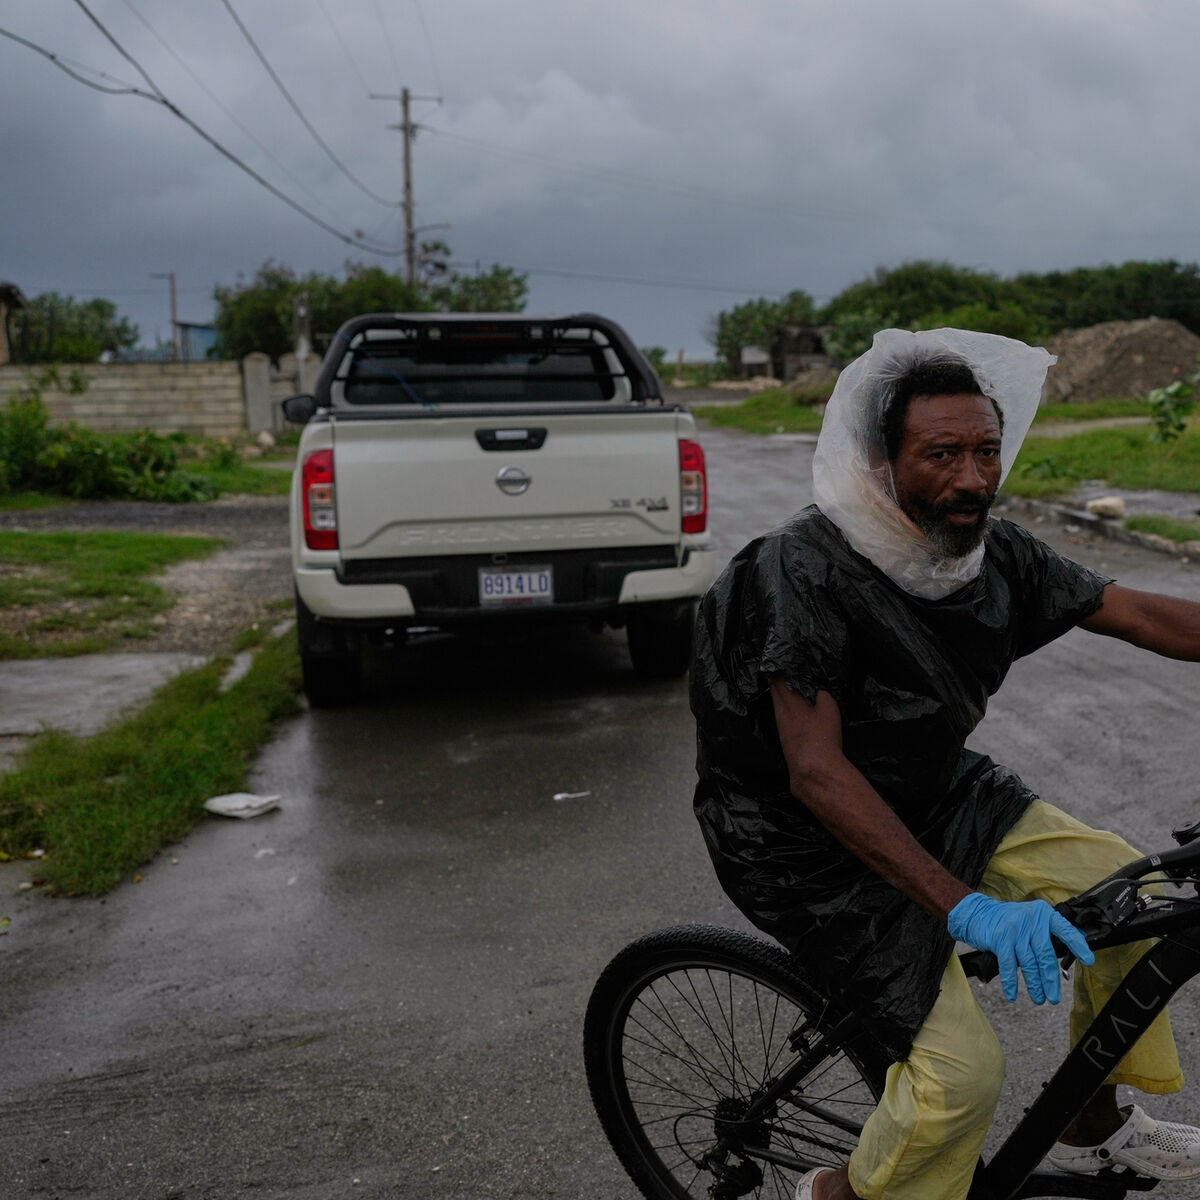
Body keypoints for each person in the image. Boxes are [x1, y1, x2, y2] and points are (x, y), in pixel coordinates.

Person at [690, 328, 1200, 1200]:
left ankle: (1094, 1125)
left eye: (986, 451)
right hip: (802, 844)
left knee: (1136, 895)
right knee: (959, 1080)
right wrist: (968, 909)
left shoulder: (988, 552)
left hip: (935, 792)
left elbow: (1139, 614)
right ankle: (834, 1195)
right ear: (881, 461)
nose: (970, 478)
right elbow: (815, 773)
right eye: (940, 455)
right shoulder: (799, 569)